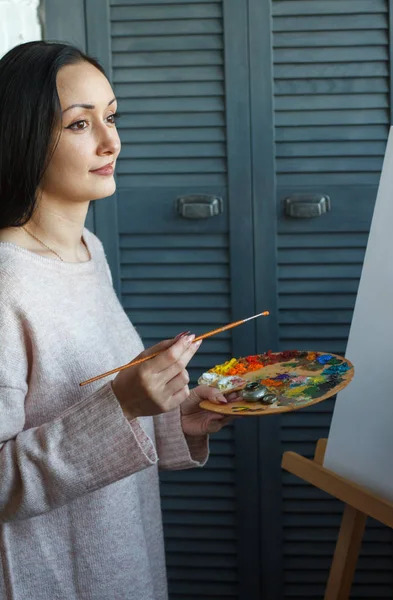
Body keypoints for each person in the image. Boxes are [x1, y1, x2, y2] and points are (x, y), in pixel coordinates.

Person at [0, 41, 237, 600]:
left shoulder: (89, 251)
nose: (112, 142)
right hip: (45, 577)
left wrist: (176, 419)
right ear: (24, 134)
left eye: (111, 116)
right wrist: (125, 404)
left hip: (123, 559)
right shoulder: (6, 284)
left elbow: (83, 411)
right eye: (80, 124)